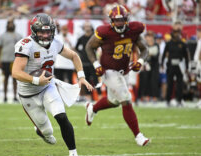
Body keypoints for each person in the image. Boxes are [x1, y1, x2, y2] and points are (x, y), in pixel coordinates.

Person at [12, 13, 93, 156]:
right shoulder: (26, 45)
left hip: (47, 87)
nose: (45, 35)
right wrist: (36, 80)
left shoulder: (55, 43)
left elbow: (74, 56)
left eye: (48, 31)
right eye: (42, 31)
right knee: (47, 132)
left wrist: (81, 76)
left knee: (61, 117)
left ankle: (74, 155)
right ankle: (41, 131)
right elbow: (16, 72)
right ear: (34, 31)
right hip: (28, 94)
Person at [85, 5, 150, 146]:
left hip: (124, 71)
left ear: (127, 20)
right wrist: (96, 64)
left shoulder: (134, 29)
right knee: (126, 100)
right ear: (111, 21)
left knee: (113, 102)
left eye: (122, 20)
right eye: (116, 20)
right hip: (108, 70)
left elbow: (145, 49)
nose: (119, 23)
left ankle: (93, 108)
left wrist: (140, 61)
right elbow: (89, 47)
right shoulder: (104, 32)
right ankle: (138, 136)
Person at [161, 29, 190, 107]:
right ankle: (168, 100)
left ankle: (179, 100)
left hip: (180, 65)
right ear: (172, 34)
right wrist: (162, 64)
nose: (176, 34)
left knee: (180, 83)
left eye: (178, 33)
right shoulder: (169, 43)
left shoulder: (183, 44)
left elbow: (186, 57)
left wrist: (187, 67)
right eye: (175, 33)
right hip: (170, 65)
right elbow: (164, 54)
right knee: (170, 83)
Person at [0, 18, 22, 103]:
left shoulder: (19, 35)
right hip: (5, 60)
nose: (11, 25)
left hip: (15, 61)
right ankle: (5, 96)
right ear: (7, 25)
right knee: (6, 78)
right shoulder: (2, 36)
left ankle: (15, 96)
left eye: (12, 23)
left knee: (15, 79)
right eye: (9, 23)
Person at [75, 21, 98, 101]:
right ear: (83, 28)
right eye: (86, 26)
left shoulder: (95, 37)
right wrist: (82, 54)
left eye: (88, 26)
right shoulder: (81, 38)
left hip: (93, 62)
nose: (87, 28)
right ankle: (89, 98)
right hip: (84, 62)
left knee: (96, 80)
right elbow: (76, 48)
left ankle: (99, 97)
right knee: (86, 81)